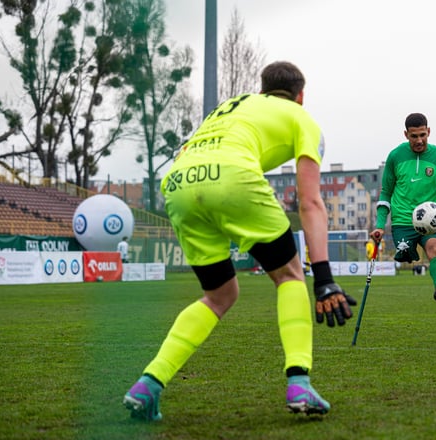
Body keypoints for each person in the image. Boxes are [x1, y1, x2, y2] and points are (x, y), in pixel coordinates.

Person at [123, 61, 352, 421]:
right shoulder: (300, 117)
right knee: (290, 275)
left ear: (261, 89)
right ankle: (299, 382)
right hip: (232, 178)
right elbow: (310, 201)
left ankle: (148, 384)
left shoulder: (233, 106)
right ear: (300, 95)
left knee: (220, 294)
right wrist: (324, 278)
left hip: (180, 183)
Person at [370, 113, 436, 301]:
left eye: (423, 135)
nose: (419, 140)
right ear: (406, 135)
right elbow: (385, 193)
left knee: (435, 248)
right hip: (403, 220)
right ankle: (406, 250)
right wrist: (380, 225)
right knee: (404, 252)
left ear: (428, 131)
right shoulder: (395, 156)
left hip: (432, 221)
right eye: (414, 136)